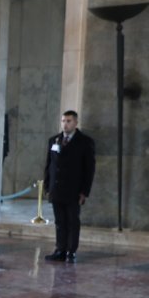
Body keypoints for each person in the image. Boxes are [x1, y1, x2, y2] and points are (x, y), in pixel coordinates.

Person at [43, 110, 96, 264]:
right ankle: (60, 249)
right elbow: (49, 165)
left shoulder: (85, 142)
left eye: (69, 121)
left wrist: (84, 191)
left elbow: (89, 170)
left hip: (74, 190)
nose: (65, 124)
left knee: (72, 221)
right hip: (57, 188)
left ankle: (71, 251)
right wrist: (48, 185)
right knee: (60, 222)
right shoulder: (54, 140)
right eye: (63, 121)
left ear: (76, 123)